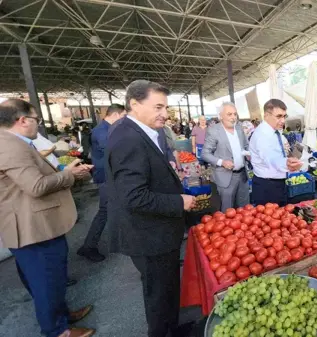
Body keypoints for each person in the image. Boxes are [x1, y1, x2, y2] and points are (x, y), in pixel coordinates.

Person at [105, 80, 196, 337]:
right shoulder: (127, 137)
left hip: (156, 231)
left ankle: (173, 328)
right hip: (148, 235)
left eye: (165, 107)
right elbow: (133, 197)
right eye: (158, 107)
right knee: (158, 294)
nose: (164, 114)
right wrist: (179, 201)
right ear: (134, 104)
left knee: (166, 288)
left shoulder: (136, 131)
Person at [0, 99, 95, 337]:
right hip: (33, 227)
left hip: (34, 223)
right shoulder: (10, 145)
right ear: (22, 121)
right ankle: (57, 330)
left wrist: (65, 173)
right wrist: (69, 175)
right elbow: (36, 186)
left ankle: (60, 314)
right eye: (36, 120)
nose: (38, 125)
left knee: (48, 278)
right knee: (46, 280)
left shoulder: (16, 143)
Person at [77, 104, 126, 262]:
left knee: (115, 208)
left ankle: (121, 239)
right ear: (117, 115)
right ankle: (88, 246)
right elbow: (115, 152)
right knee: (104, 210)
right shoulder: (102, 131)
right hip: (106, 177)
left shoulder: (106, 129)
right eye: (124, 117)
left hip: (110, 175)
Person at [249, 99, 303, 206]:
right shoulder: (262, 135)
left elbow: (278, 151)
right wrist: (286, 163)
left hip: (277, 182)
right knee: (270, 219)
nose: (283, 121)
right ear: (266, 115)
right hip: (267, 187)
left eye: (284, 116)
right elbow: (270, 158)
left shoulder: (275, 131)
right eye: (279, 116)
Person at [202, 102, 250, 211]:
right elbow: (205, 154)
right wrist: (222, 162)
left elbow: (246, 146)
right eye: (229, 114)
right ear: (221, 116)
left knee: (245, 211)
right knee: (227, 213)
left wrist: (249, 154)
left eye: (235, 114)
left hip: (243, 176)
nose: (233, 117)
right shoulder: (214, 130)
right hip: (226, 178)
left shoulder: (239, 129)